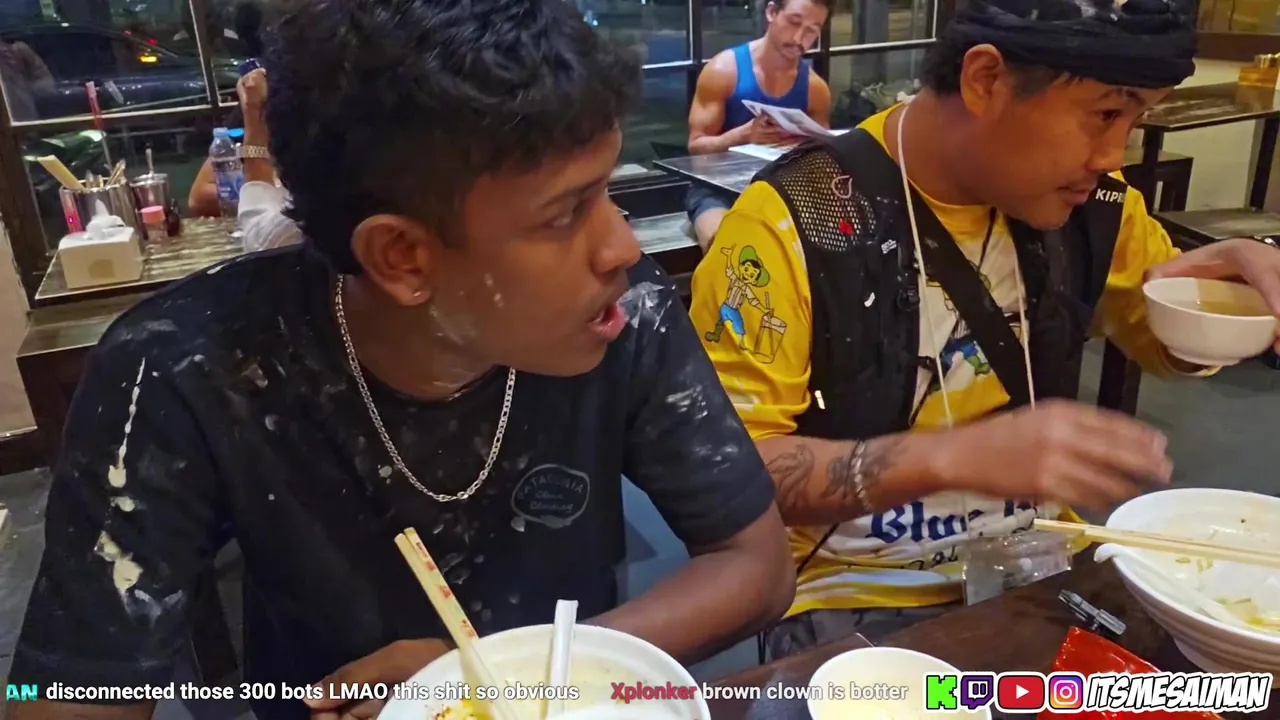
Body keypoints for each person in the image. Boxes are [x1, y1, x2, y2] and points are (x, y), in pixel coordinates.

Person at [8, 1, 794, 719]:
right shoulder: (188, 364)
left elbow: (755, 566)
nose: (621, 246)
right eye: (566, 214)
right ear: (402, 256)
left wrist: (503, 677)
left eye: (608, 190)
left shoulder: (623, 308)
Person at [690, 0, 1280, 661]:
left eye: (1136, 119)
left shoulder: (1097, 202)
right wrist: (954, 457)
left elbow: (1163, 339)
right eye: (1105, 115)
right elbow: (734, 478)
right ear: (985, 79)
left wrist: (1226, 292)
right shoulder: (792, 223)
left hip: (1042, 561)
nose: (1115, 154)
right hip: (854, 590)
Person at [684, 0, 832, 252]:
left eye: (811, 31)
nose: (799, 39)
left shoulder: (815, 89)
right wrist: (742, 135)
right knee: (726, 247)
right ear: (772, 12)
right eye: (794, 22)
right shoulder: (723, 71)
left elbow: (823, 156)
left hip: (784, 191)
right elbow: (696, 146)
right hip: (717, 189)